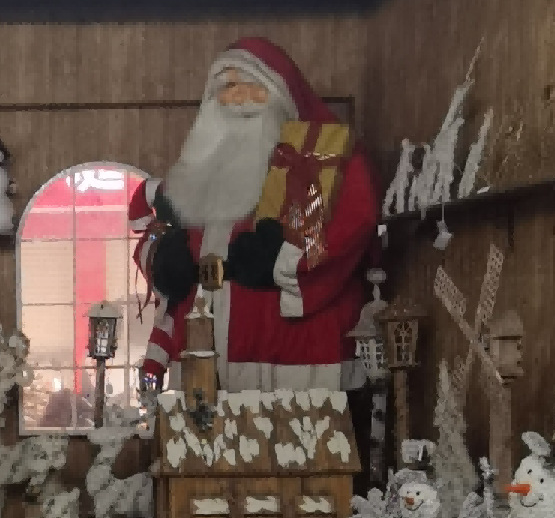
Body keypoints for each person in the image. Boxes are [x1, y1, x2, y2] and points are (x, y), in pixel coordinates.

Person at [132, 37, 375, 391]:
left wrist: (281, 257)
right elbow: (154, 235)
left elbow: (347, 230)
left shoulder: (317, 163)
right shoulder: (193, 176)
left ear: (280, 95)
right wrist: (162, 259)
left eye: (252, 86)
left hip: (293, 362)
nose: (238, 98)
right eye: (227, 88)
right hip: (202, 365)